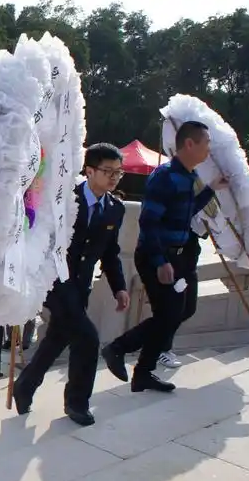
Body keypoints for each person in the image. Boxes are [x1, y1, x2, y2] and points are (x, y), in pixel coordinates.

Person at [102, 121, 228, 392]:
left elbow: (189, 208)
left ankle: (141, 371)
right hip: (156, 256)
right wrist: (160, 261)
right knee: (168, 314)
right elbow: (148, 222)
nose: (209, 150)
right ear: (190, 144)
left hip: (181, 258)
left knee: (184, 309)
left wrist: (211, 189)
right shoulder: (165, 176)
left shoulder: (189, 178)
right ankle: (120, 350)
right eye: (206, 143)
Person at [13, 143, 130, 426]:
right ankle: (77, 403)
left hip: (81, 286)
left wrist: (119, 287)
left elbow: (110, 252)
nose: (114, 177)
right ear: (89, 171)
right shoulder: (65, 199)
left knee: (57, 338)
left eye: (119, 172)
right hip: (55, 282)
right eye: (107, 171)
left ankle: (25, 385)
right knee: (88, 339)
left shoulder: (115, 208)